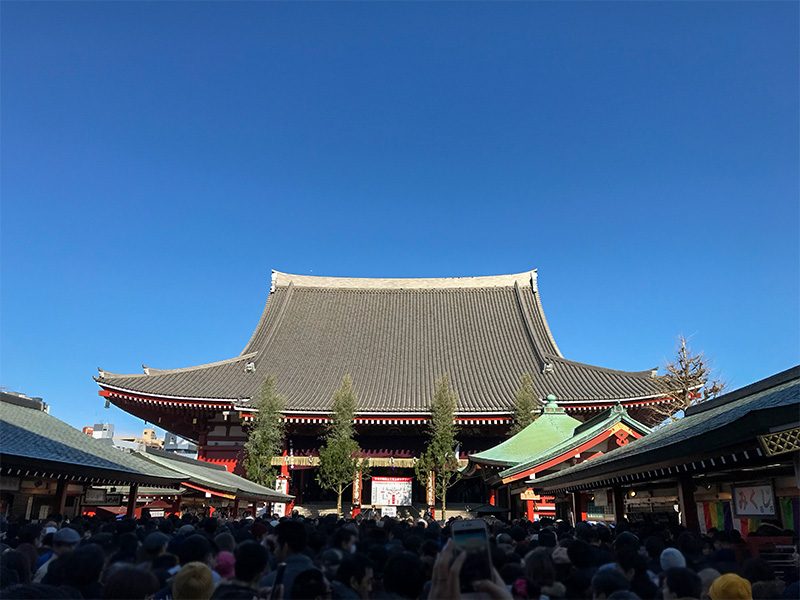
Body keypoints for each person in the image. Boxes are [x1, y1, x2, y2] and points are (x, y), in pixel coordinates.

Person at [260, 520, 315, 599]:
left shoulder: (271, 582)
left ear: (285, 547)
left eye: (276, 546)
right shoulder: (323, 578)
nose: (275, 551)